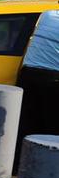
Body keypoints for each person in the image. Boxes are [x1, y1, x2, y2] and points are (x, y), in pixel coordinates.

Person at [16, 10, 59, 161]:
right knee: (51, 127)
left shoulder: (47, 15)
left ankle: (17, 162)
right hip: (53, 79)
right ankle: (45, 163)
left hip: (28, 74)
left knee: (25, 121)